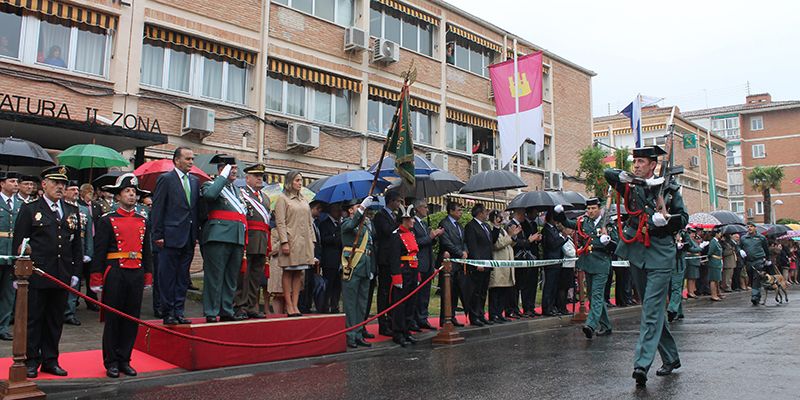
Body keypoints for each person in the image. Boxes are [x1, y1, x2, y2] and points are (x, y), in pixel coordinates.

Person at [605, 145, 688, 386]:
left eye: (642, 162)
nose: (637, 165)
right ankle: (671, 357)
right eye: (635, 161)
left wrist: (666, 221)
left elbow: (683, 218)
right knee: (650, 309)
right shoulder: (631, 185)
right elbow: (608, 175)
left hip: (661, 253)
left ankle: (641, 365)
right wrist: (627, 176)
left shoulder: (669, 188)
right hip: (637, 250)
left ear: (653, 164)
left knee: (651, 310)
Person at [13, 166, 82, 378]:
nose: (60, 187)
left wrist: (76, 272)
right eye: (55, 183)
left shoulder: (71, 210)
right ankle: (32, 359)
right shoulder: (31, 208)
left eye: (63, 184)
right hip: (38, 273)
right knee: (34, 319)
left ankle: (51, 359)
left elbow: (76, 245)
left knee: (55, 319)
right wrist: (19, 273)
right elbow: (20, 242)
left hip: (61, 274)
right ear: (44, 185)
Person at [89, 174, 153, 378]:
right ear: (118, 196)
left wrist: (148, 275)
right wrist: (96, 278)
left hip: (136, 272)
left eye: (134, 192)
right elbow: (98, 252)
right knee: (113, 318)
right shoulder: (107, 220)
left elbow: (147, 251)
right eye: (127, 192)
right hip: (115, 271)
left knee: (131, 319)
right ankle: (111, 361)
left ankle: (125, 358)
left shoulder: (143, 220)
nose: (132, 195)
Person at [150, 147, 200, 325]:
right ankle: (168, 312)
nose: (191, 162)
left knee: (182, 277)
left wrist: (195, 235)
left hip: (188, 237)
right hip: (169, 237)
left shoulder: (194, 182)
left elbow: (194, 209)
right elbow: (158, 209)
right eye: (187, 159)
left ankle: (179, 311)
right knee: (167, 277)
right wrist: (158, 234)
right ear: (176, 160)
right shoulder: (166, 179)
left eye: (192, 159)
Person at [555, 197, 614, 338]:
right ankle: (606, 326)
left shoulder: (607, 223)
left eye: (593, 208)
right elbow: (568, 223)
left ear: (599, 209)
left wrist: (608, 242)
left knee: (597, 295)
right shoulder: (583, 222)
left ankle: (591, 325)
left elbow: (616, 245)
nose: (591, 211)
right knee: (593, 296)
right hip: (588, 262)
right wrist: (560, 214)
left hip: (601, 263)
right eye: (588, 209)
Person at [200, 155, 247, 323]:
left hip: (236, 237)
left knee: (231, 277)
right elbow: (210, 196)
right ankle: (211, 311)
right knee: (215, 276)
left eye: (235, 169)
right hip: (218, 236)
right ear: (221, 170)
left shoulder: (236, 190)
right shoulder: (211, 184)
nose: (234, 171)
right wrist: (222, 177)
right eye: (231, 168)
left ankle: (226, 309)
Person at [274, 170, 316, 317]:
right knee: (288, 271)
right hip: (291, 241)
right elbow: (280, 222)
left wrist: (312, 241)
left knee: (299, 272)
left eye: (301, 180)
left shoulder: (304, 200)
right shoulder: (283, 199)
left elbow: (310, 222)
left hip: (304, 242)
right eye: (297, 180)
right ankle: (289, 305)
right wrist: (284, 241)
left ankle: (296, 304)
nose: (300, 183)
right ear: (289, 182)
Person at [234, 163, 271, 319]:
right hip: (248, 238)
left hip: (262, 238)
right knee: (244, 274)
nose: (259, 179)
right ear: (247, 178)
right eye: (256, 176)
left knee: (256, 274)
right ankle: (240, 305)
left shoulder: (266, 198)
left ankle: (251, 305)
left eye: (261, 176)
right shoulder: (241, 194)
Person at [341, 197, 376, 348]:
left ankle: (359, 332)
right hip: (352, 264)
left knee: (362, 302)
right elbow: (351, 225)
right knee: (350, 302)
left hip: (365, 265)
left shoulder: (366, 223)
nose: (363, 208)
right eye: (357, 206)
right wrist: (361, 209)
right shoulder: (346, 222)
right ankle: (350, 334)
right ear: (350, 210)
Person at [387, 204, 419, 347]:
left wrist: (417, 275)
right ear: (404, 220)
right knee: (400, 304)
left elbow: (414, 255)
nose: (413, 221)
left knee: (410, 303)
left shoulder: (411, 234)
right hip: (402, 271)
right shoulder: (395, 236)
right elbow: (393, 258)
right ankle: (398, 332)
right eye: (411, 218)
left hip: (412, 270)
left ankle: (406, 330)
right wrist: (396, 276)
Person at [371, 190, 402, 336]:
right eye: (398, 201)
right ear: (391, 201)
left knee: (392, 292)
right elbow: (386, 231)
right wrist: (399, 224)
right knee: (384, 292)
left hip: (394, 258)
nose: (399, 204)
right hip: (384, 258)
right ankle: (383, 324)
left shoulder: (394, 216)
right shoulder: (381, 216)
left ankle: (391, 320)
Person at [63, 181, 93, 326]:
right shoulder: (61, 208)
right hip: (63, 249)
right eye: (72, 189)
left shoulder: (84, 210)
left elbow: (88, 233)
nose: (75, 192)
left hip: (78, 248)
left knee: (75, 282)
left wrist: (88, 251)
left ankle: (69, 312)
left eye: (77, 189)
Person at [411, 200, 442, 330]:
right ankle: (414, 320)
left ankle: (423, 318)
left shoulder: (424, 223)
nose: (427, 210)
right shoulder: (413, 223)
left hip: (428, 263)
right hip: (419, 263)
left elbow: (429, 242)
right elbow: (415, 243)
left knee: (425, 294)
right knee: (417, 294)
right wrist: (430, 237)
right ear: (417, 208)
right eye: (425, 207)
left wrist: (433, 237)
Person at [437, 202, 468, 327]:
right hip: (449, 262)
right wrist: (459, 252)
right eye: (459, 210)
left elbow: (464, 241)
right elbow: (446, 242)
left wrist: (465, 251)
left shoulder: (460, 225)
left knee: (455, 291)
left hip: (459, 264)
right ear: (451, 211)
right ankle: (445, 318)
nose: (461, 212)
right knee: (447, 291)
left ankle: (452, 315)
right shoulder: (444, 224)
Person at [508, 208, 541, 318]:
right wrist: (529, 241)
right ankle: (513, 308)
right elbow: (515, 242)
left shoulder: (523, 225)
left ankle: (526, 308)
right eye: (523, 214)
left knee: (524, 284)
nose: (524, 216)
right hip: (517, 258)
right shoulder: (511, 225)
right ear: (518, 214)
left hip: (525, 258)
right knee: (516, 286)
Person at [464, 203, 493, 326]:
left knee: (483, 291)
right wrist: (477, 262)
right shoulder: (471, 226)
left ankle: (481, 313)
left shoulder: (486, 226)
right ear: (480, 213)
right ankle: (474, 315)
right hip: (478, 264)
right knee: (475, 291)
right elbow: (473, 245)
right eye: (485, 211)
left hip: (487, 262)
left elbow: (490, 243)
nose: (487, 214)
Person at [0, 171, 21, 341]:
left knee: (9, 293)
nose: (15, 184)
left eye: (16, 181)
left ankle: (3, 326)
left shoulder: (20, 204)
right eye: (11, 181)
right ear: (2, 183)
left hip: (12, 254)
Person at [488, 210, 518, 323]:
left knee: (504, 291)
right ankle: (493, 314)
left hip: (507, 265)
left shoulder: (503, 230)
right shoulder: (492, 229)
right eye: (500, 217)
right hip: (498, 265)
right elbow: (497, 244)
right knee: (496, 291)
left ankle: (500, 313)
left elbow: (509, 243)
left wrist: (513, 236)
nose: (502, 219)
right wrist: (510, 236)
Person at [669, 228, 699, 322]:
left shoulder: (683, 233)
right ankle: (675, 310)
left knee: (677, 287)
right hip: (671, 264)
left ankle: (676, 310)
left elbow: (692, 246)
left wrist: (685, 246)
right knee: (675, 288)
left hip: (678, 264)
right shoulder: (667, 232)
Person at [317, 203, 343, 314]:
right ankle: (325, 306)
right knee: (329, 284)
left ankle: (335, 305)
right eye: (337, 209)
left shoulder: (341, 224)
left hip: (341, 259)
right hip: (329, 259)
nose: (339, 212)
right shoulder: (324, 224)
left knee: (338, 285)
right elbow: (324, 239)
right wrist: (335, 237)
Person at [541, 210, 567, 316]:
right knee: (549, 286)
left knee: (554, 286)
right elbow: (552, 244)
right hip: (551, 260)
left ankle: (552, 306)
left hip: (557, 260)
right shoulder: (546, 230)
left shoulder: (554, 229)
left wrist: (563, 237)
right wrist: (563, 238)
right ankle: (546, 307)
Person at [740, 221, 770, 304]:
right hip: (748, 261)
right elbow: (739, 247)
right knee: (751, 278)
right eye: (748, 226)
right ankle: (757, 295)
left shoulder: (761, 237)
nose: (749, 228)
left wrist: (768, 259)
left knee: (756, 277)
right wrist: (740, 251)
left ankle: (754, 296)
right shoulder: (743, 238)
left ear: (755, 228)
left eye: (751, 226)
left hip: (758, 260)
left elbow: (766, 249)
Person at [684, 228, 702, 298]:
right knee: (691, 277)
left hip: (695, 261)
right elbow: (691, 249)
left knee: (694, 277)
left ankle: (692, 291)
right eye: (692, 233)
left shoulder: (693, 241)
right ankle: (690, 292)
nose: (693, 235)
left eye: (694, 233)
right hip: (690, 262)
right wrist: (698, 249)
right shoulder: (688, 240)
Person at [707, 228, 724, 301]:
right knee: (713, 279)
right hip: (714, 262)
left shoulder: (717, 241)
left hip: (717, 261)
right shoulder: (713, 242)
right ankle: (713, 295)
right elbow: (710, 252)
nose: (720, 234)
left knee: (717, 279)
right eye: (719, 233)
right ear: (716, 234)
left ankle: (717, 293)